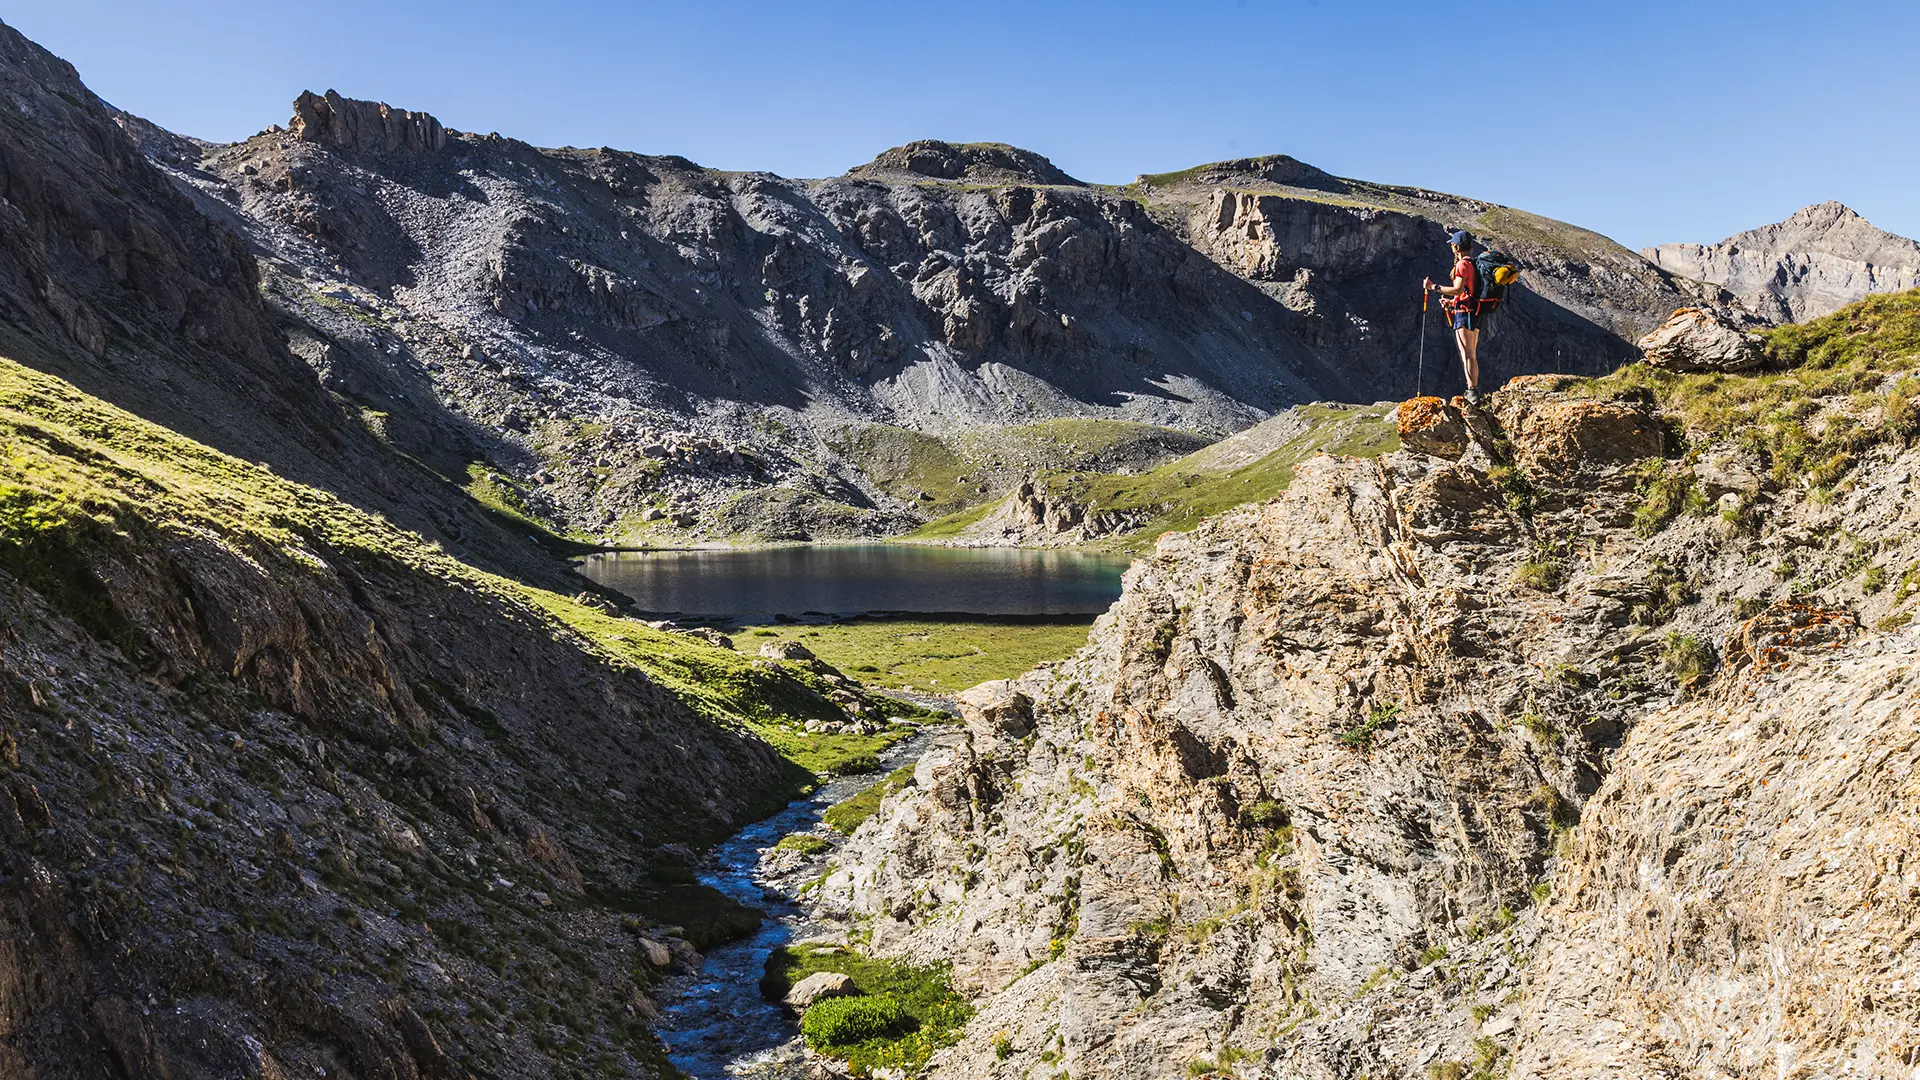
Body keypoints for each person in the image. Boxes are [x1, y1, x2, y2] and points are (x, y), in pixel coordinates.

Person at [1424, 230, 1483, 404]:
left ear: (1456, 247)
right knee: (1471, 353)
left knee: (1468, 354)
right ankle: (1473, 389)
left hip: (1465, 314)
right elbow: (1467, 291)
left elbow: (1458, 288)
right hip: (1475, 311)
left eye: (1452, 245)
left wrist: (1434, 287)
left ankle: (1472, 392)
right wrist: (1452, 302)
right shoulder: (1473, 264)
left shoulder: (1462, 265)